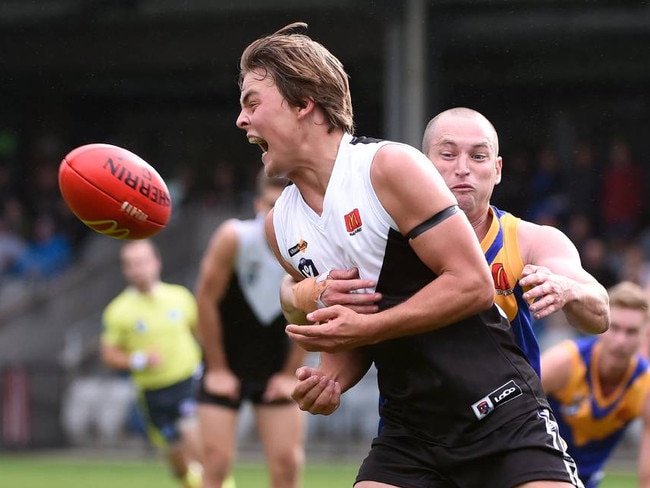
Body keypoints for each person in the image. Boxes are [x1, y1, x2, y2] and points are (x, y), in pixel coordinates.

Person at [239, 22, 584, 488]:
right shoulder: (280, 226)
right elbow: (356, 331)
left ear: (304, 104)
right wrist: (333, 378)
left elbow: (473, 283)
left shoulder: (387, 167)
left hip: (502, 413)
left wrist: (366, 326)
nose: (242, 120)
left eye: (252, 102)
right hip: (410, 434)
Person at [293, 107, 610, 376]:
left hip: (510, 428)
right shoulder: (381, 238)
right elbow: (294, 288)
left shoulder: (530, 240)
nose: (463, 168)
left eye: (478, 156)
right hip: (412, 431)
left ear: (497, 170)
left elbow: (599, 314)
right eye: (448, 154)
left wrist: (569, 290)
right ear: (422, 163)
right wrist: (331, 373)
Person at [195, 169, 305, 488]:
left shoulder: (308, 245)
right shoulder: (234, 237)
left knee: (287, 463)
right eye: (271, 205)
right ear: (258, 203)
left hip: (277, 365)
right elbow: (205, 300)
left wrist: (288, 374)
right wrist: (216, 368)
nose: (278, 216)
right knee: (216, 462)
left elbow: (313, 313)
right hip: (226, 363)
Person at [100, 239, 206, 488]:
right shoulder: (118, 311)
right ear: (126, 270)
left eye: (143, 261)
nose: (140, 269)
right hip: (152, 393)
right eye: (133, 264)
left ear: (156, 262)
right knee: (178, 462)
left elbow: (201, 332)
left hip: (186, 382)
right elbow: (109, 355)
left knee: (196, 443)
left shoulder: (179, 297)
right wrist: (139, 360)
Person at [541, 281, 650, 488]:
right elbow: (514, 412)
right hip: (539, 473)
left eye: (631, 332)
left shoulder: (645, 386)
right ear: (601, 324)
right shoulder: (563, 363)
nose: (620, 341)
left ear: (645, 334)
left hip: (587, 482)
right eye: (615, 328)